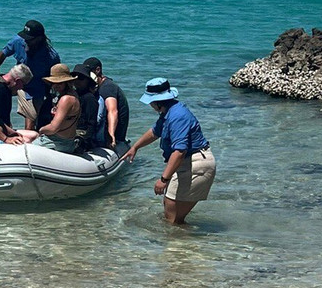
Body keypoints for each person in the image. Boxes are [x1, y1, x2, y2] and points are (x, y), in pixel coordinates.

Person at [121, 77, 216, 224]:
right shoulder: (168, 113)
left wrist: (163, 179)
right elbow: (154, 132)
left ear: (157, 101)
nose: (150, 105)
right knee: (170, 211)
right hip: (187, 163)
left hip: (195, 163)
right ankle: (181, 243)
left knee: (173, 218)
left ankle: (178, 245)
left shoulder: (178, 116)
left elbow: (179, 151)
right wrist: (135, 147)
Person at [0, 20, 61, 130]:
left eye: (30, 39)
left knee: (31, 119)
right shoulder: (18, 41)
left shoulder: (51, 56)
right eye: (25, 37)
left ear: (39, 38)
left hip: (35, 90)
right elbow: (2, 55)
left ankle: (26, 141)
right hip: (16, 82)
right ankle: (4, 127)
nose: (26, 41)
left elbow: (56, 78)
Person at [33, 64, 80, 154]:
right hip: (67, 141)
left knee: (27, 147)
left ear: (67, 82)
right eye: (54, 83)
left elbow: (53, 128)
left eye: (60, 83)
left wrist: (41, 130)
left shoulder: (66, 99)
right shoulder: (73, 95)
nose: (56, 85)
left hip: (57, 142)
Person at [83, 56, 129, 148]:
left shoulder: (107, 88)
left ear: (98, 70)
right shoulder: (99, 86)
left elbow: (113, 111)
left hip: (114, 134)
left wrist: (111, 136)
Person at [0, 63, 37, 143]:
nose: (22, 88)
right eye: (23, 85)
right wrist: (10, 133)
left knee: (33, 135)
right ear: (17, 81)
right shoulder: (0, 90)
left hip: (3, 128)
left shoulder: (5, 87)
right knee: (30, 137)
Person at [70, 63, 99, 151]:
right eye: (75, 77)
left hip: (82, 135)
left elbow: (92, 123)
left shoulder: (89, 98)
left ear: (87, 81)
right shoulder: (72, 95)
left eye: (81, 78)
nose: (77, 80)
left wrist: (85, 141)